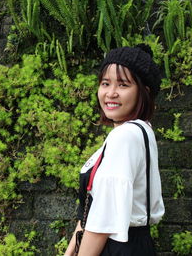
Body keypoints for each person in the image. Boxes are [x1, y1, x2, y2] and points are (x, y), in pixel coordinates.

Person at [64, 45, 165, 256]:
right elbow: (92, 210)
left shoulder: (125, 136)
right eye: (105, 83)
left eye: (123, 84)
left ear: (144, 91)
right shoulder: (141, 131)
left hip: (116, 247)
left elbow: (103, 219)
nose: (111, 93)